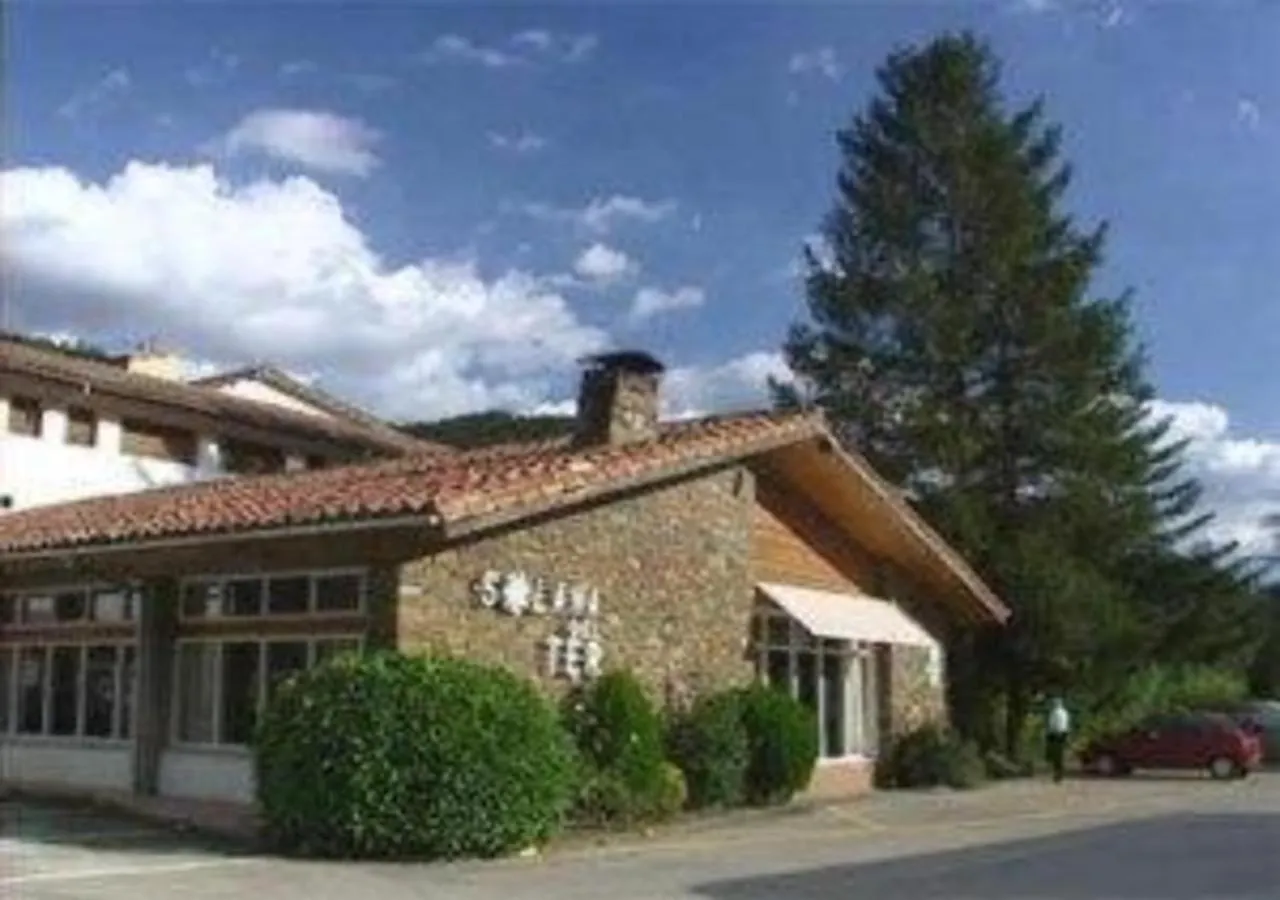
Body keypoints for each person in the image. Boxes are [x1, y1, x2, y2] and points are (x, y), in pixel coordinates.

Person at [1046, 696, 1072, 783]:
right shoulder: (1065, 712)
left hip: (1056, 734)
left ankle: (1057, 775)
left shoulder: (1054, 713)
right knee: (1061, 754)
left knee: (1056, 755)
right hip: (1064, 733)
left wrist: (1049, 734)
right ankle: (1060, 774)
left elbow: (1052, 724)